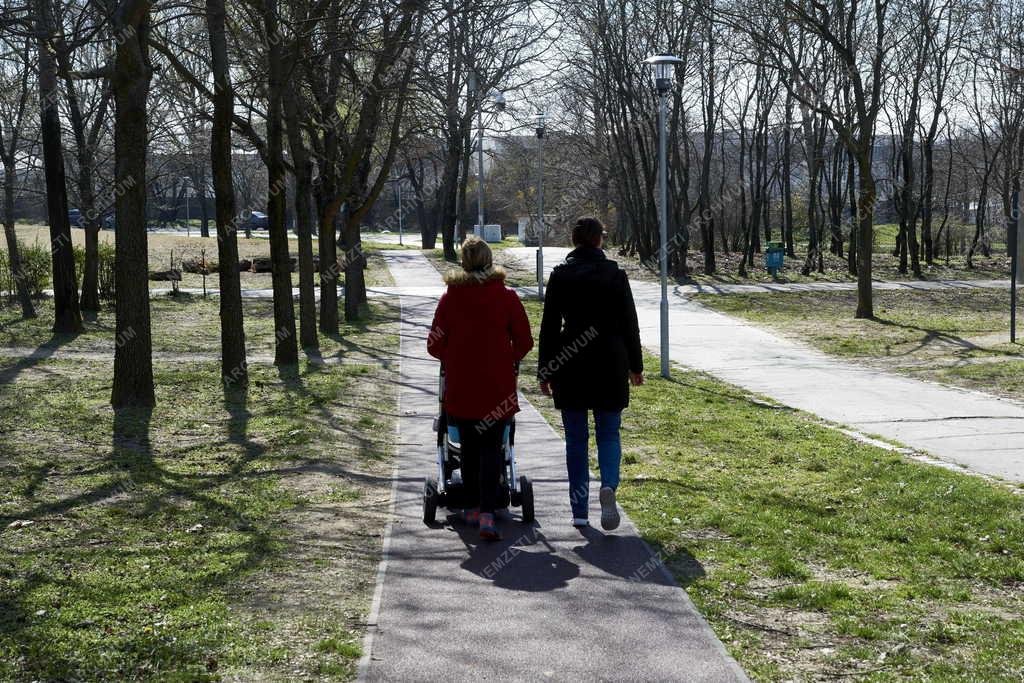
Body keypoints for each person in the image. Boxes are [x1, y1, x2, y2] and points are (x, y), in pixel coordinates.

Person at [538, 217, 644, 530]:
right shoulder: (615, 274)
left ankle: (579, 511)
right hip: (611, 361)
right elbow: (630, 324)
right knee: (609, 432)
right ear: (599, 240)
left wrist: (546, 370)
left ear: (574, 241)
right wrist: (635, 367)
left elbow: (549, 328)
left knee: (575, 438)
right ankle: (608, 485)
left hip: (570, 363)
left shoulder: (560, 275)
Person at [427, 235, 533, 540]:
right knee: (493, 447)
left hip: (462, 387)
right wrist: (505, 358)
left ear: (463, 262)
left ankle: (472, 507)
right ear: (489, 262)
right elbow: (524, 341)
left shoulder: (451, 298)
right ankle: (488, 513)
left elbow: (434, 344)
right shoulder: (507, 297)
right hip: (497, 387)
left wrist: (456, 356)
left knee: (469, 448)